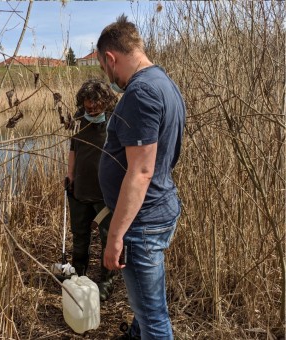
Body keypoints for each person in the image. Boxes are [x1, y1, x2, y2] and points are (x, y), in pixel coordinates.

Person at [96, 15, 186, 340]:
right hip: (155, 210)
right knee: (146, 304)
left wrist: (115, 236)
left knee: (154, 319)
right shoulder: (164, 83)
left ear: (110, 58)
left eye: (106, 69)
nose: (109, 77)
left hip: (142, 224)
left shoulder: (140, 93)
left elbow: (142, 171)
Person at [65, 78, 118, 302]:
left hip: (106, 193)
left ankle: (106, 281)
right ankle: (79, 273)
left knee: (107, 238)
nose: (92, 108)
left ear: (106, 102)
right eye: (88, 105)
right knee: (80, 234)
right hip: (80, 188)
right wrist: (70, 175)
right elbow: (73, 148)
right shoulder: (78, 119)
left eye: (97, 105)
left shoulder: (116, 122)